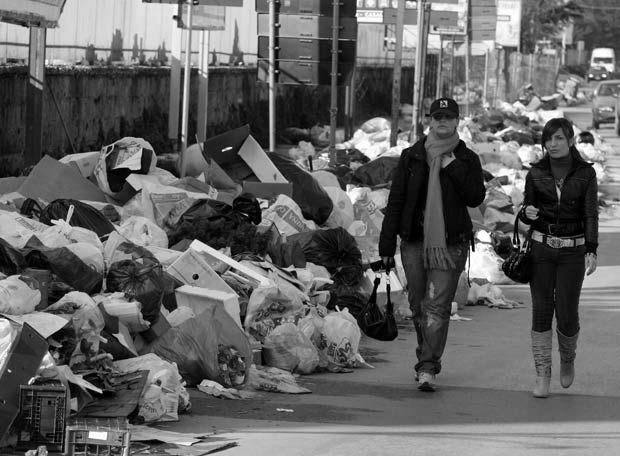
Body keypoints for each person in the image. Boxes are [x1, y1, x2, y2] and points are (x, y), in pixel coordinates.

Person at [379, 98, 486, 392]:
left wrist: (452, 168)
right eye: (437, 116)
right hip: (413, 241)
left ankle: (427, 366)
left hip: (449, 244)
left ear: (457, 121)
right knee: (417, 306)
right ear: (429, 120)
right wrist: (386, 246)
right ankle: (426, 354)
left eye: (448, 117)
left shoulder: (466, 158)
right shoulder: (412, 156)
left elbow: (475, 197)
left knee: (437, 307)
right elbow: (397, 201)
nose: (442, 121)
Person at [519, 117, 598, 398]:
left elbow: (590, 213)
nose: (552, 144)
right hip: (541, 249)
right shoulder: (536, 173)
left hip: (572, 251)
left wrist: (591, 248)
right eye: (548, 139)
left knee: (566, 311)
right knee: (541, 309)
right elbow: (526, 207)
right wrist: (526, 212)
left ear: (571, 141)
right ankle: (542, 374)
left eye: (559, 138)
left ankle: (567, 357)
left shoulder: (586, 174)